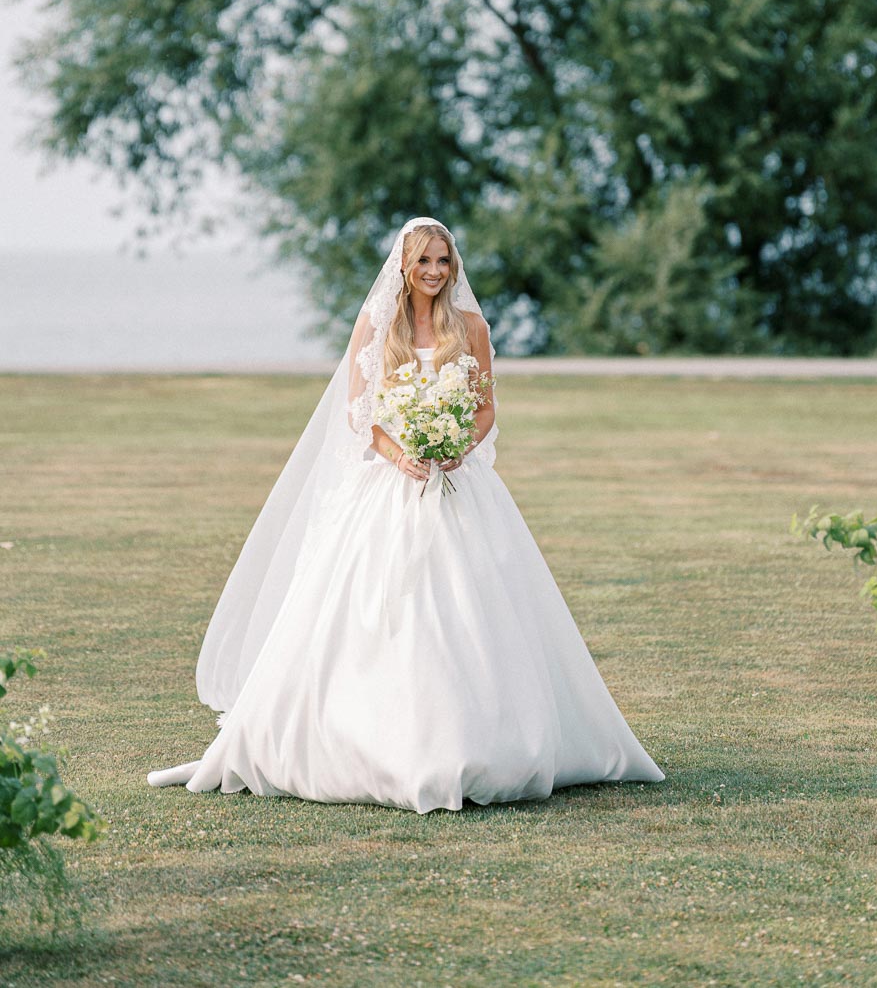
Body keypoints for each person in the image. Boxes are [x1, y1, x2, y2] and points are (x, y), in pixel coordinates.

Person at [147, 216, 664, 812]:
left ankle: (485, 739)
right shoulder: (377, 325)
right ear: (403, 265)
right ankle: (371, 741)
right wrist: (402, 455)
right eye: (425, 262)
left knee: (476, 608)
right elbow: (359, 414)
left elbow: (486, 408)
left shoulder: (470, 326)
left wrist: (454, 448)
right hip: (390, 486)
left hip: (456, 482)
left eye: (444, 261)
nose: (436, 272)